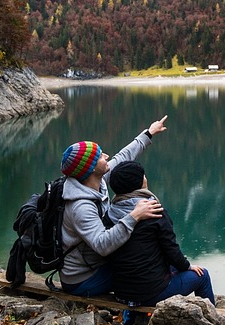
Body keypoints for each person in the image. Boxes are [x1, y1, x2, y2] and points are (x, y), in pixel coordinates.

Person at [57, 115, 168, 297]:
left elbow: (123, 156)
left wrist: (149, 133)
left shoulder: (95, 180)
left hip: (95, 263)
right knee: (147, 272)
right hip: (83, 278)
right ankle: (135, 314)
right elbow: (102, 245)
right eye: (101, 156)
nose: (106, 156)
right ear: (91, 168)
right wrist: (135, 215)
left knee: (146, 263)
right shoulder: (80, 207)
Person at [104, 160, 214, 308]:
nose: (145, 178)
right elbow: (171, 249)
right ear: (139, 183)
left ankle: (131, 316)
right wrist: (187, 266)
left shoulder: (110, 212)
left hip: (121, 293)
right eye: (143, 176)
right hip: (150, 294)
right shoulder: (154, 212)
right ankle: (213, 324)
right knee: (202, 276)